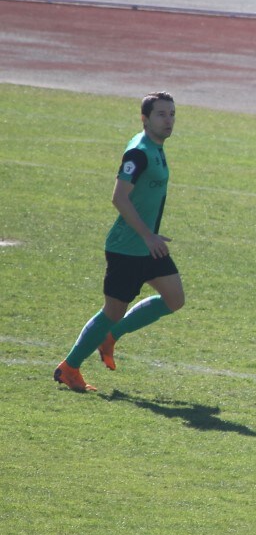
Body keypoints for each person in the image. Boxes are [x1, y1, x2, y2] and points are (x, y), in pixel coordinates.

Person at [54, 91, 186, 393]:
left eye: (172, 114)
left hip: (148, 245)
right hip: (128, 248)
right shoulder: (138, 152)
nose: (168, 120)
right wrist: (147, 234)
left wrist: (151, 234)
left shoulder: (156, 147)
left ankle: (111, 336)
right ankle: (69, 367)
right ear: (145, 119)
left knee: (175, 299)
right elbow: (119, 197)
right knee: (111, 312)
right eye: (161, 115)